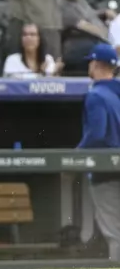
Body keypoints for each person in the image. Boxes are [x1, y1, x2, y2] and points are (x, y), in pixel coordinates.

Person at [77, 43, 120, 261]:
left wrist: (75, 156)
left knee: (115, 233)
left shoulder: (96, 95)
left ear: (95, 64)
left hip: (107, 172)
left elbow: (97, 133)